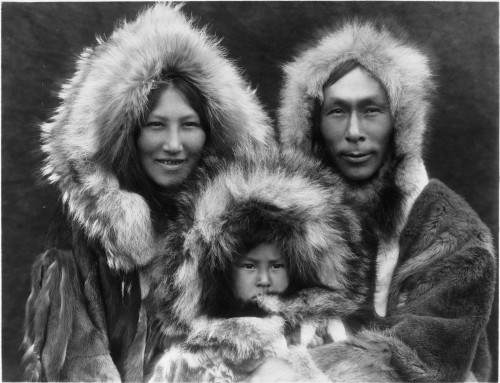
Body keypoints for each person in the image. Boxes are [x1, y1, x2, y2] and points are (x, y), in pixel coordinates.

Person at [22, 4, 274, 381]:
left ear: (211, 134)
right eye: (156, 125)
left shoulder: (244, 233)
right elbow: (71, 363)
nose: (173, 144)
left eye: (189, 124)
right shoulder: (85, 234)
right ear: (130, 134)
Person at [267, 18, 496, 382]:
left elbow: (428, 360)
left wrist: (291, 370)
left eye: (372, 110)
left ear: (399, 122)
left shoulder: (454, 230)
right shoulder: (278, 218)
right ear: (312, 123)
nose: (354, 133)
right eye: (337, 111)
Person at [144, 150, 377, 382]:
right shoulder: (188, 359)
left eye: (276, 266)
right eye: (249, 267)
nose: (264, 279)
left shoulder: (323, 335)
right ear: (222, 275)